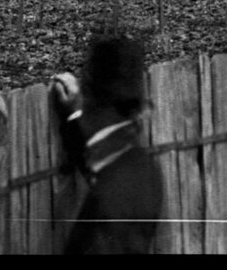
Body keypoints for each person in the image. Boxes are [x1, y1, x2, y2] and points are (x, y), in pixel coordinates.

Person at [49, 35, 164, 254]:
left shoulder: (112, 198)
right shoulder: (140, 164)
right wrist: (74, 115)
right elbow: (100, 161)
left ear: (91, 97)